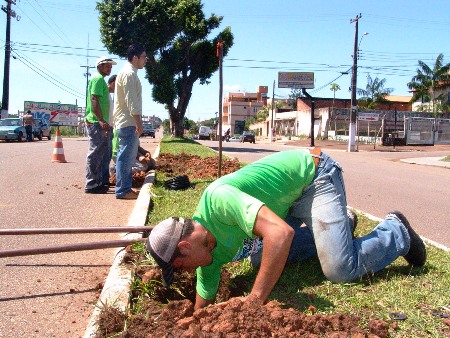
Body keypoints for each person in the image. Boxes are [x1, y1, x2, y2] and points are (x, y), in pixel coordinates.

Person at [146, 149, 426, 310]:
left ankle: (396, 231)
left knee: (339, 270)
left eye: (180, 267)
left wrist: (255, 299)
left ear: (184, 248)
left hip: (314, 177)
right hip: (283, 204)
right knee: (260, 258)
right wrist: (198, 321)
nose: (187, 272)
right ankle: (339, 227)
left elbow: (280, 234)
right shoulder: (207, 254)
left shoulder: (218, 201)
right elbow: (205, 290)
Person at [113, 43, 147, 200]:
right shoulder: (129, 74)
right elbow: (131, 101)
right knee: (126, 157)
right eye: (143, 57)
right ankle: (123, 190)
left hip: (126, 121)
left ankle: (124, 188)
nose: (145, 60)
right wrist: (138, 122)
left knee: (125, 156)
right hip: (128, 122)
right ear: (135, 58)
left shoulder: (129, 73)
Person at [84, 56, 117, 194]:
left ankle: (102, 181)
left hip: (103, 123)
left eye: (111, 66)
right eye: (107, 66)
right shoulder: (97, 79)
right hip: (96, 122)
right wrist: (101, 120)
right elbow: (94, 99)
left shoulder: (101, 81)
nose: (109, 68)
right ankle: (91, 184)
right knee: (96, 153)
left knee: (104, 153)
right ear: (99, 66)